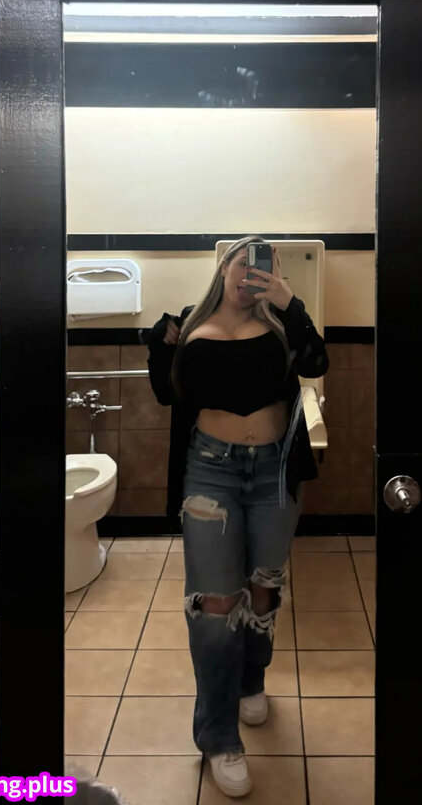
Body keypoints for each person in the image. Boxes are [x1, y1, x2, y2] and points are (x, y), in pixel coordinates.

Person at [147, 235, 329, 798]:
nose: (251, 273)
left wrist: (289, 303)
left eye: (264, 265)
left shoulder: (280, 325)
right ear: (223, 265)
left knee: (264, 589)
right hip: (211, 473)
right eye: (244, 261)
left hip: (274, 471)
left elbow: (318, 361)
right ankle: (218, 735)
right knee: (214, 604)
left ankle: (252, 679)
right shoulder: (188, 324)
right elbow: (165, 394)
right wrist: (159, 343)